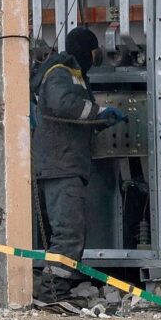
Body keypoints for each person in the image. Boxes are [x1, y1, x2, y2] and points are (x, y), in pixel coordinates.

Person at [31, 27, 125, 302]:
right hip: (62, 165)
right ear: (86, 51)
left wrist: (101, 120)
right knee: (68, 234)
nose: (96, 57)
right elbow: (63, 105)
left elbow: (76, 118)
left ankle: (52, 289)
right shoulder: (61, 73)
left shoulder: (73, 75)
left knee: (67, 233)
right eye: (94, 51)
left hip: (64, 163)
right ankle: (51, 292)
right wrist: (99, 112)